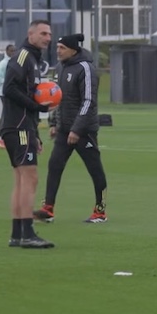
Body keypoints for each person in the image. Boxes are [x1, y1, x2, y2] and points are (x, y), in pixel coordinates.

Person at [35, 33, 109, 225]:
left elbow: (88, 101)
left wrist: (77, 130)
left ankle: (100, 210)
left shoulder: (86, 68)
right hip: (64, 129)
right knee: (54, 165)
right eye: (57, 47)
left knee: (95, 170)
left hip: (84, 131)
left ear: (73, 50)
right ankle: (48, 208)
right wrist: (54, 123)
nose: (57, 51)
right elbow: (55, 97)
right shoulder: (60, 67)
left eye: (62, 48)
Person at [0, 21, 54, 248]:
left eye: (50, 34)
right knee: (30, 179)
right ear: (30, 34)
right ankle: (27, 234)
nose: (48, 37)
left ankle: (17, 234)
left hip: (22, 126)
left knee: (21, 180)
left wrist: (36, 133)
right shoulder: (23, 57)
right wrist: (37, 108)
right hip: (19, 126)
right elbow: (9, 89)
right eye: (43, 33)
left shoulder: (33, 60)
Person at [0, 44, 15, 148]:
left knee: (8, 113)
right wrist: (8, 83)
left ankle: (5, 135)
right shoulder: (3, 64)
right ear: (6, 51)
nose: (13, 52)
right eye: (11, 50)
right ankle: (0, 136)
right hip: (4, 92)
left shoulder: (12, 62)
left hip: (9, 92)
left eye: (14, 51)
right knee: (6, 113)